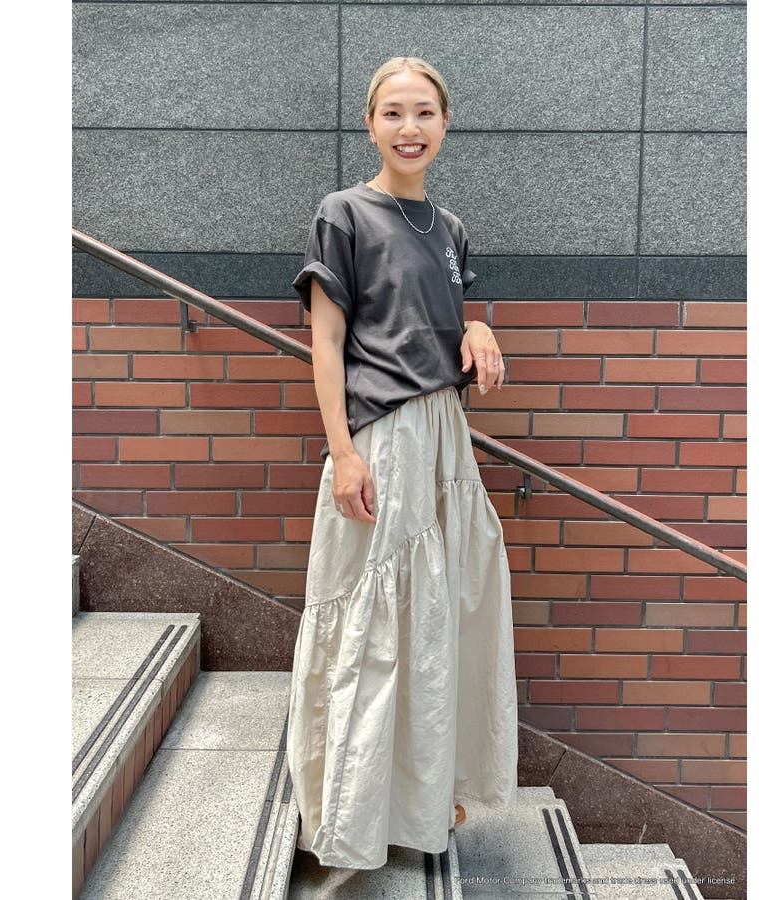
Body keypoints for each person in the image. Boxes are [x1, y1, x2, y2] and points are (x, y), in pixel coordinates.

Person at [286, 56, 518, 870]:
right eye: (393, 112)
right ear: (370, 123)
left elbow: (437, 321)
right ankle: (350, 810)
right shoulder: (344, 213)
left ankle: (420, 793)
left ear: (445, 123)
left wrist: (475, 327)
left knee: (436, 618)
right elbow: (326, 342)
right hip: (382, 436)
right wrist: (344, 452)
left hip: (445, 437)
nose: (409, 127)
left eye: (424, 112)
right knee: (374, 620)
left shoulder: (449, 228)